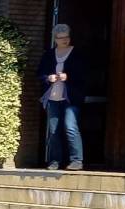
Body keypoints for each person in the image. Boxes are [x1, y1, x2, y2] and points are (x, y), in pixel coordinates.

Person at [38, 24, 85, 171]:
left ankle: (76, 160)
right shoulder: (49, 55)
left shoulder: (77, 54)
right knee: (53, 130)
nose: (65, 40)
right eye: (61, 38)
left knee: (70, 127)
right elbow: (40, 73)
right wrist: (48, 78)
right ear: (55, 39)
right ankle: (54, 161)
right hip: (53, 98)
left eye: (67, 37)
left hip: (70, 98)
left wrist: (68, 77)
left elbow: (85, 75)